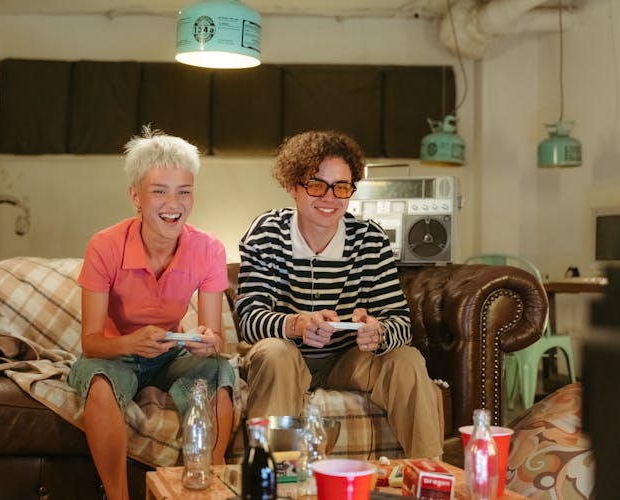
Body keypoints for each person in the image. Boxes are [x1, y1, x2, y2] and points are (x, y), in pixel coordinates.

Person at [235, 130, 442, 459]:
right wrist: (297, 324)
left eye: (341, 187)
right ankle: (272, 478)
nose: (330, 198)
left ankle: (429, 476)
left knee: (407, 359)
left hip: (348, 362)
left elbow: (401, 322)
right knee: (276, 354)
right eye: (316, 185)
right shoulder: (268, 233)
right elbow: (249, 320)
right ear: (292, 186)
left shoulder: (368, 239)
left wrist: (379, 331)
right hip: (286, 360)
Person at [68, 127, 235, 500]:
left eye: (184, 191)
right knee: (98, 380)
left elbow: (216, 336)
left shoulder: (208, 249)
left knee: (220, 370)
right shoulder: (105, 245)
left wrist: (207, 343)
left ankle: (212, 485)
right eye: (159, 191)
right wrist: (130, 342)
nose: (172, 203)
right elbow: (91, 342)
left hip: (169, 355)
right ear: (136, 197)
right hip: (113, 355)